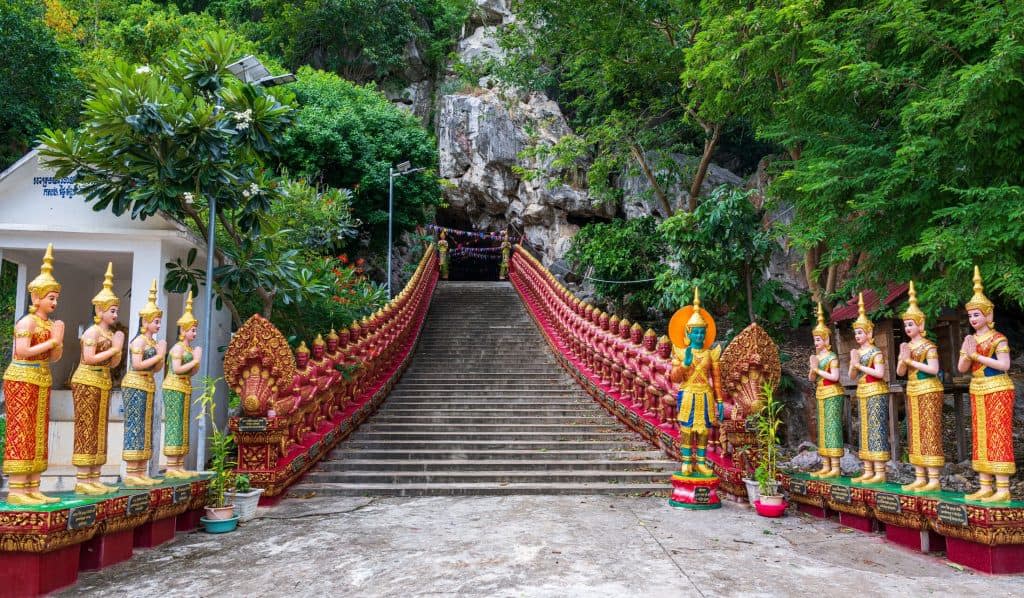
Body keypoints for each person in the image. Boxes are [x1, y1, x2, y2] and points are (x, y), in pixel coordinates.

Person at [2, 245, 65, 505]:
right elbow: (22, 350)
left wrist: (58, 342)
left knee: (39, 430)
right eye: (50, 297)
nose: (54, 302)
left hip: (41, 376)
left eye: (55, 298)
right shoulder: (27, 323)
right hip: (22, 377)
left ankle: (33, 485)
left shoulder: (49, 324)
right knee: (22, 430)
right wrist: (52, 342)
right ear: (36, 297)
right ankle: (17, 489)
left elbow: (54, 357)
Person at [958, 267, 1015, 502]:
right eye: (971, 316)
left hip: (998, 388)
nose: (973, 319)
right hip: (978, 388)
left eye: (977, 315)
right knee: (980, 435)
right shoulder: (970, 339)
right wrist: (966, 353)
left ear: (988, 315)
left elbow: (1004, 364)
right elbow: (962, 368)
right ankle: (985, 485)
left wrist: (976, 357)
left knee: (998, 434)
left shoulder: (998, 338)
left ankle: (1002, 488)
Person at [70, 262, 125, 494]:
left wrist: (118, 350)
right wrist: (114, 349)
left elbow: (112, 364)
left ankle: (95, 476)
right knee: (86, 427)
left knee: (99, 428)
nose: (115, 314)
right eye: (112, 310)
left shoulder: (109, 334)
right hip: (86, 380)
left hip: (102, 381)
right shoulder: (92, 333)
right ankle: (83, 479)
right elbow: (89, 357)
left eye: (116, 311)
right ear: (100, 310)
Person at [896, 281, 944, 492]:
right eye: (906, 325)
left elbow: (933, 369)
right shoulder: (906, 346)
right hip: (913, 389)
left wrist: (910, 361)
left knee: (929, 431)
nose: (908, 328)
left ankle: (933, 478)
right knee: (914, 431)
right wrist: (902, 359)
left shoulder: (928, 346)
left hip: (929, 388)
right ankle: (919, 475)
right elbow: (900, 373)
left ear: (921, 325)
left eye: (911, 324)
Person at [121, 280, 167, 487]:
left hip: (148, 384)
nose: (158, 326)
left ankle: (141, 470)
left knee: (146, 427)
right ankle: (132, 472)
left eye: (159, 322)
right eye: (156, 322)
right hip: (135, 383)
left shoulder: (153, 343)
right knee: (135, 426)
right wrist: (158, 355)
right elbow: (138, 364)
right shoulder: (139, 341)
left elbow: (156, 369)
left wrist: (160, 357)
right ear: (145, 321)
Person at [808, 303, 844, 478]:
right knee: (823, 429)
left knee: (832, 428)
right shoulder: (817, 357)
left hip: (832, 393)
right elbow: (811, 378)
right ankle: (825, 464)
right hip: (821, 393)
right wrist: (812, 369)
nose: (816, 343)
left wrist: (818, 369)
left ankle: (835, 467)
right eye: (815, 340)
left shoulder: (831, 357)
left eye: (819, 340)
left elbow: (835, 377)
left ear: (826, 341)